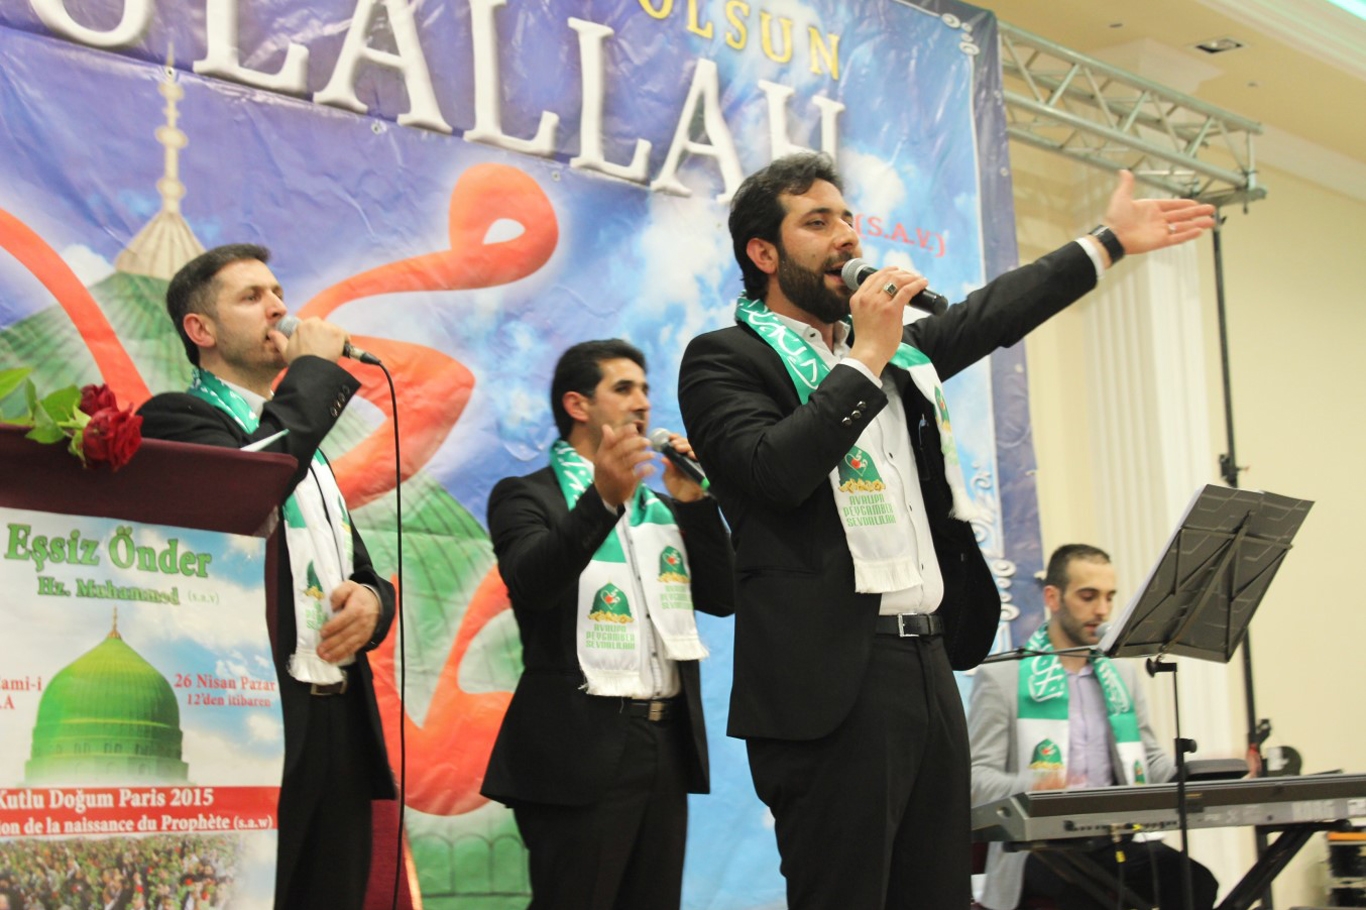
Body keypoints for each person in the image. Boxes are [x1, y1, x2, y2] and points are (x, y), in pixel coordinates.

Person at [676, 151, 1215, 909]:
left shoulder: (901, 359)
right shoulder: (724, 360)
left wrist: (1108, 241)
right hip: (830, 679)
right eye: (817, 222)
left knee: (937, 892)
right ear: (764, 254)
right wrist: (867, 354)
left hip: (926, 663)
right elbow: (773, 473)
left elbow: (993, 313)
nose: (846, 236)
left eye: (848, 219)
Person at [137, 244, 396, 910]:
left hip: (337, 718)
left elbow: (363, 573)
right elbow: (247, 489)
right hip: (254, 719)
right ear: (201, 330)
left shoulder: (306, 451)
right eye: (251, 297)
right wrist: (314, 371)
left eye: (278, 292)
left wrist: (373, 602)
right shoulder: (177, 419)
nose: (279, 307)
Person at [481, 339, 735, 910]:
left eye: (645, 389)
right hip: (575, 751)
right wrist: (601, 501)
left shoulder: (660, 509)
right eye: (623, 389)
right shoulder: (526, 496)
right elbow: (534, 582)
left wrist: (695, 504)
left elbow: (724, 598)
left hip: (664, 741)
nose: (642, 402)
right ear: (577, 405)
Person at [968, 544, 1219, 909]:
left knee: (1194, 883)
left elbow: (1149, 763)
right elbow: (974, 780)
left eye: (1109, 597)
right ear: (1053, 598)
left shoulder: (1121, 675)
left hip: (1118, 839)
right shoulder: (1003, 678)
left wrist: (1198, 773)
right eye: (1088, 597)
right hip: (1036, 848)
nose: (1101, 610)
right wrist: (1034, 787)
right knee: (1085, 892)